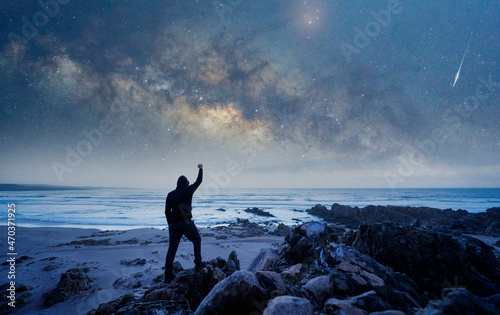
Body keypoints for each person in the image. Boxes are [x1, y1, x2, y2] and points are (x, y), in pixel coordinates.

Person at [164, 163, 205, 283]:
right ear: (186, 183)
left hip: (173, 224)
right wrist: (201, 169)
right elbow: (199, 181)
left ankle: (167, 275)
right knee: (196, 239)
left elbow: (166, 212)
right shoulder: (188, 190)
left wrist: (170, 225)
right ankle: (198, 264)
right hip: (185, 222)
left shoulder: (170, 194)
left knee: (171, 249)